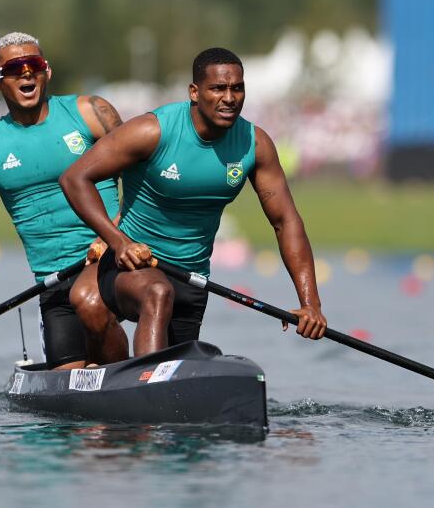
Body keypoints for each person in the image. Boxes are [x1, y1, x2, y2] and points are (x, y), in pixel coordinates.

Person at [59, 47, 327, 358]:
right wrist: (118, 242)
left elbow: (286, 221)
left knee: (177, 363)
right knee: (156, 293)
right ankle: (139, 384)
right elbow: (75, 178)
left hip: (192, 279)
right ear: (195, 92)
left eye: (237, 88)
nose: (229, 97)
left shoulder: (255, 144)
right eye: (218, 88)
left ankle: (138, 381)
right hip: (132, 265)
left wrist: (310, 303)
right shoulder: (152, 130)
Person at [0, 31, 127, 370]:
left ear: (47, 72)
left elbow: (141, 177)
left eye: (34, 65)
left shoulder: (92, 112)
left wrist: (113, 234)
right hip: (55, 282)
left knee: (103, 336)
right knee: (72, 385)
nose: (26, 73)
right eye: (14, 69)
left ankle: (134, 376)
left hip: (116, 262)